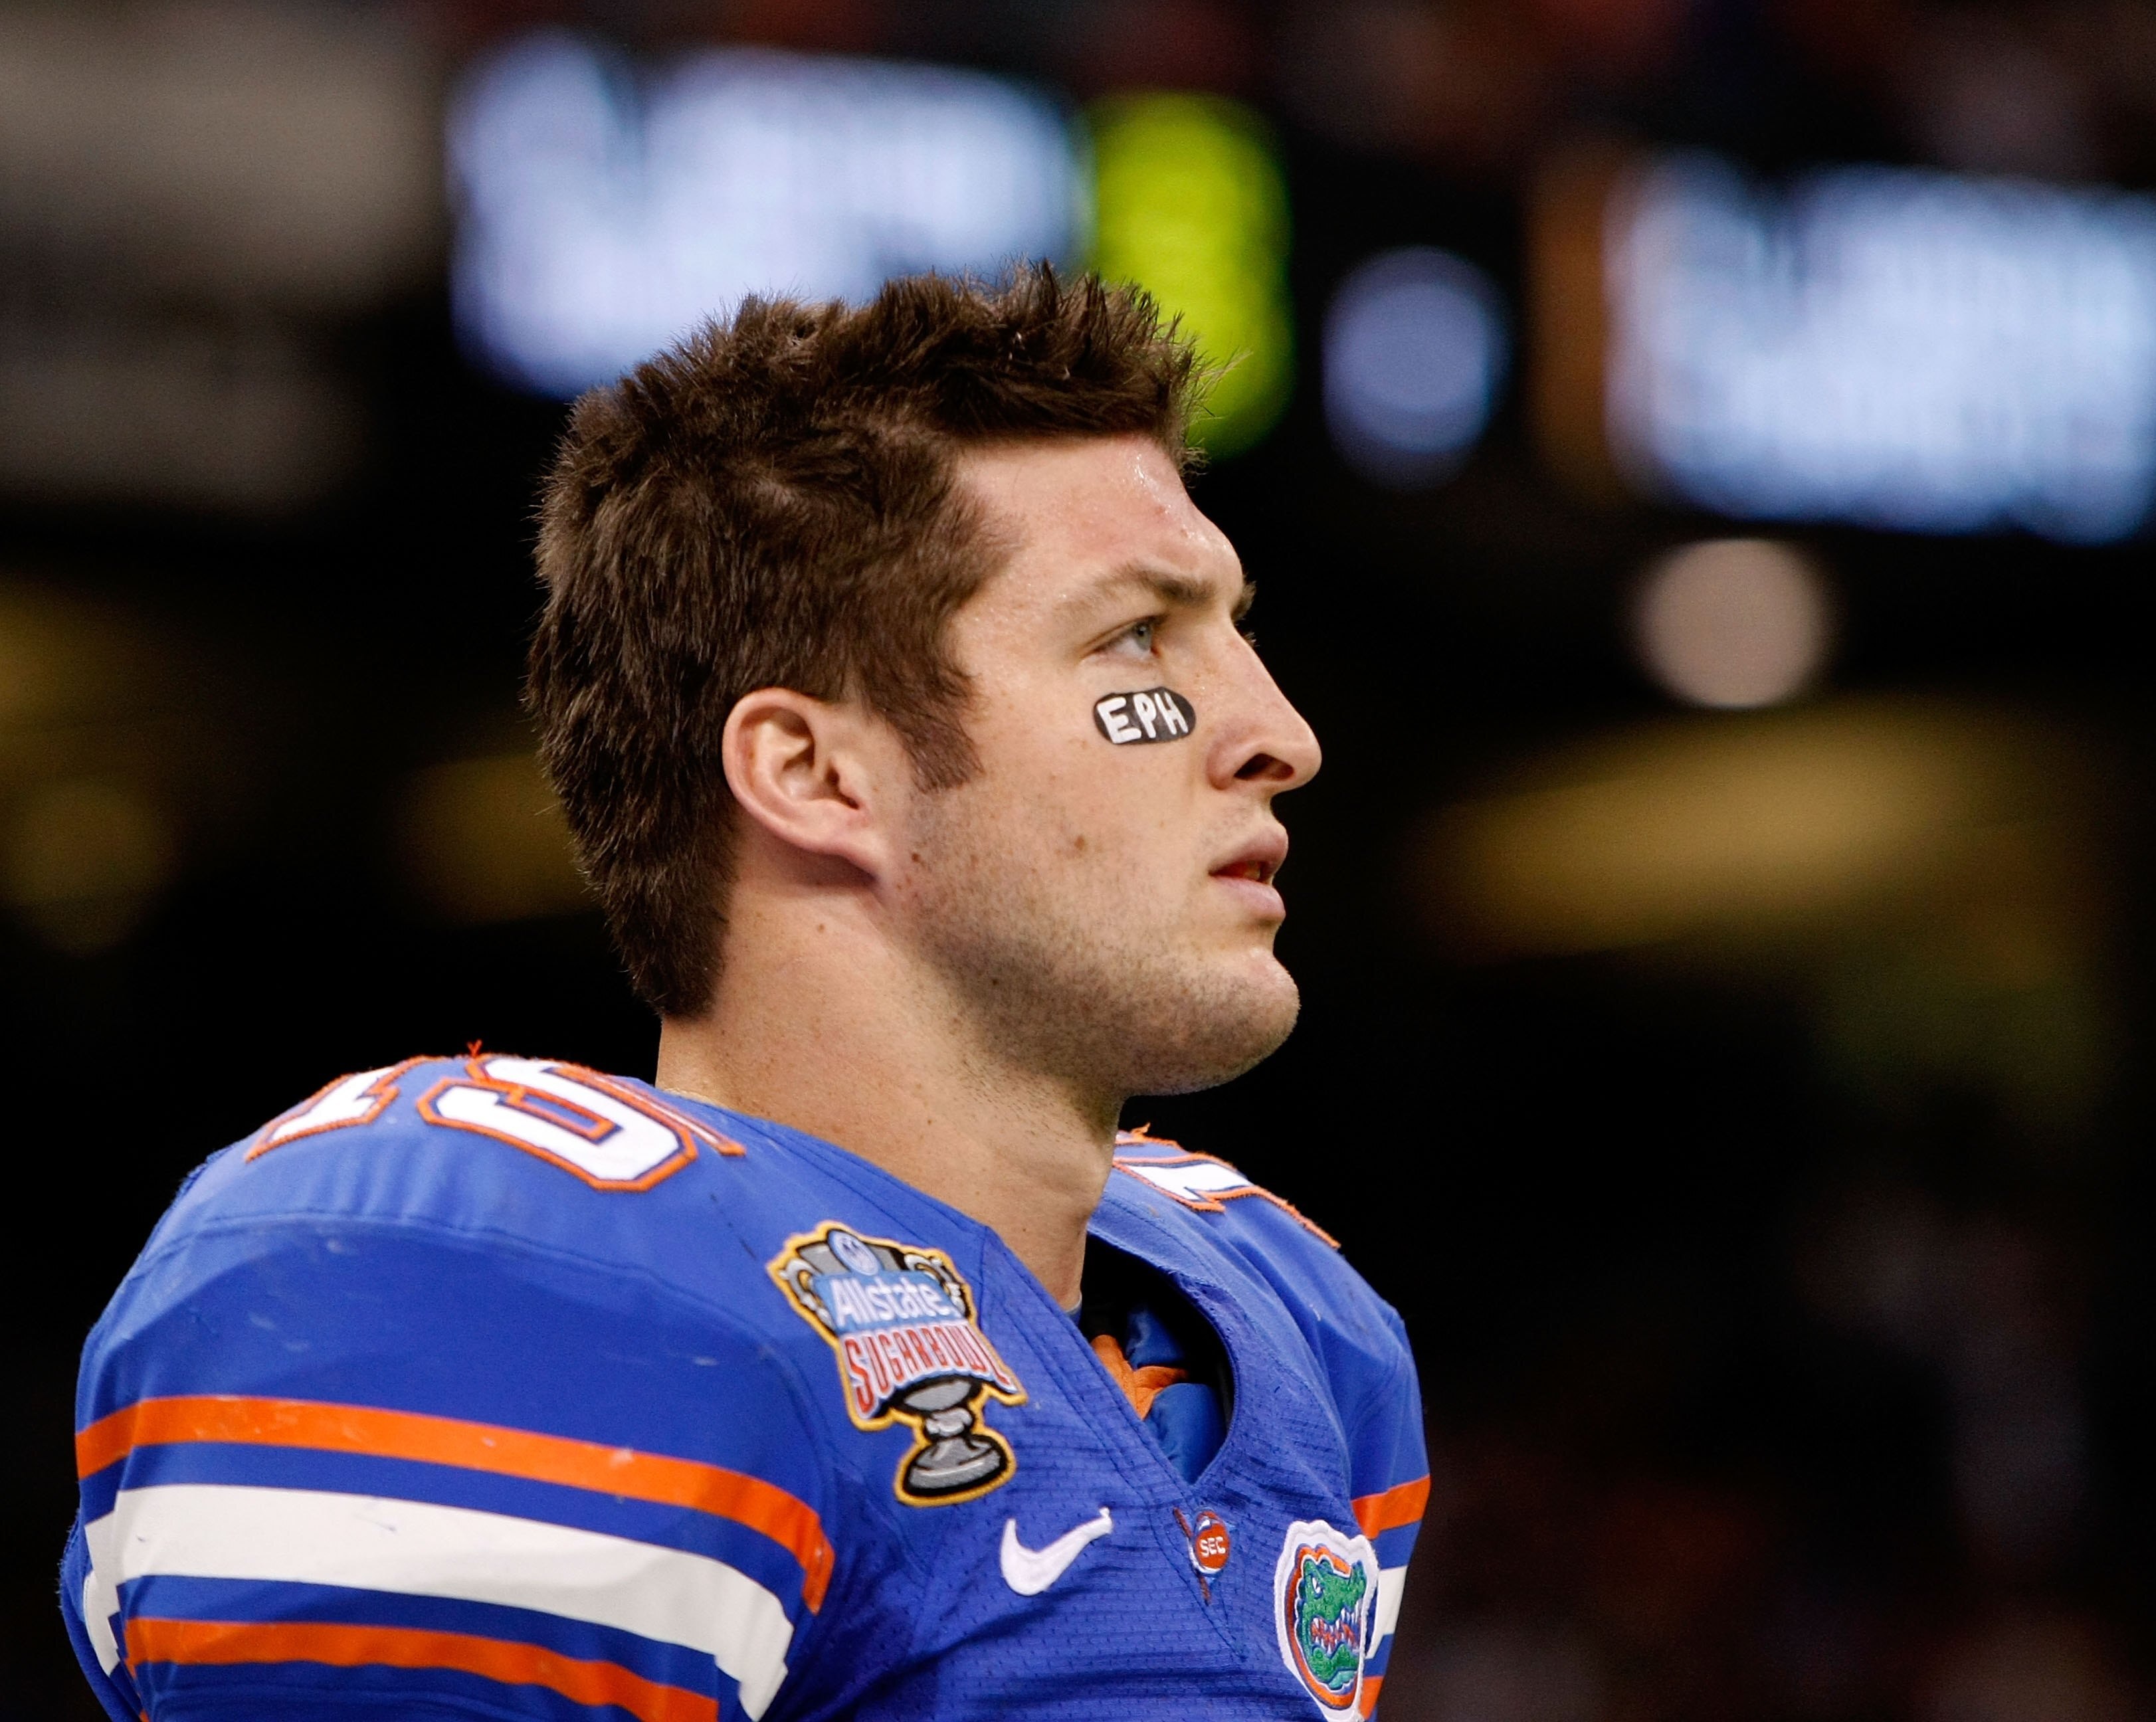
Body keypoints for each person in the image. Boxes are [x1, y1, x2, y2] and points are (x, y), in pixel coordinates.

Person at [61, 270, 1426, 1722]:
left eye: (1237, 630)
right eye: (1136, 640)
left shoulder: (1294, 1344)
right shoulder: (499, 1293)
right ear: (815, 774)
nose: (1281, 734)